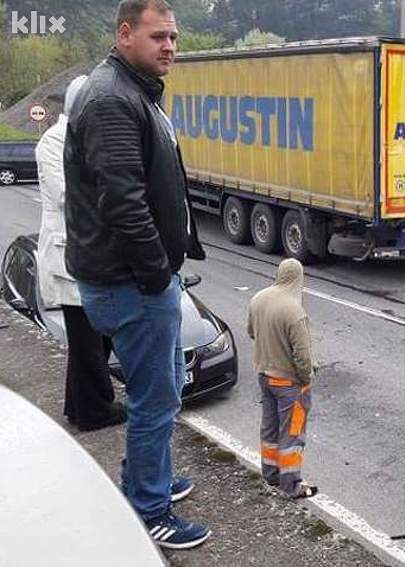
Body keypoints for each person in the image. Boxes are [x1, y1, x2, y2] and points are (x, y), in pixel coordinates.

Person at [64, 0, 209, 549]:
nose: (169, 46)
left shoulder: (132, 91)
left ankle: (147, 478)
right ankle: (149, 510)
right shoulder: (111, 100)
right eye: (157, 36)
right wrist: (156, 277)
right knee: (155, 400)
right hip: (132, 283)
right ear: (125, 35)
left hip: (141, 279)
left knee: (166, 390)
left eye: (173, 37)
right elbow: (124, 204)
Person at [36, 75, 127, 432]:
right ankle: (96, 409)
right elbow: (67, 195)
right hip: (69, 255)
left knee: (93, 338)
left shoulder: (81, 136)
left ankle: (78, 406)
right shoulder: (53, 141)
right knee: (88, 338)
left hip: (87, 254)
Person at [248, 258, 318, 499]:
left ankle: (271, 474)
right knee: (292, 435)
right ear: (299, 278)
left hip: (264, 376)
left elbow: (251, 331)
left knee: (269, 429)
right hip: (289, 383)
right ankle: (291, 486)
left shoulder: (258, 298)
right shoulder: (294, 310)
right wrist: (305, 379)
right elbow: (303, 355)